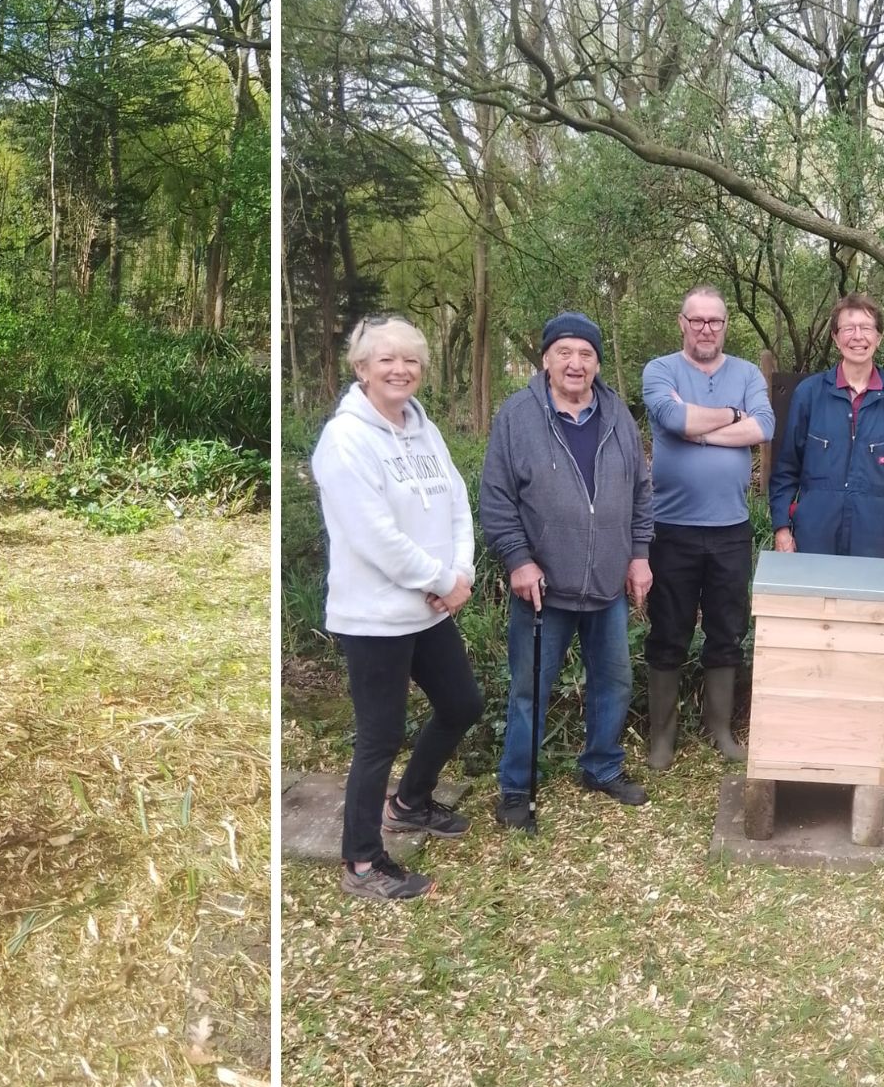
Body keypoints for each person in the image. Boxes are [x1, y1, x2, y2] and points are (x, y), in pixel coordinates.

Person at [311, 315, 482, 901]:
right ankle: (361, 862)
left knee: (462, 703)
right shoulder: (345, 440)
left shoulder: (421, 427)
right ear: (361, 367)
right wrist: (440, 578)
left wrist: (460, 574)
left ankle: (408, 802)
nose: (400, 369)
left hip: (432, 608)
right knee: (379, 736)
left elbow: (457, 500)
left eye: (410, 359)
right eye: (386, 359)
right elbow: (375, 537)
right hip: (376, 615)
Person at [481, 311, 655, 834]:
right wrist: (517, 558)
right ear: (546, 359)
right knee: (530, 688)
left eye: (586, 354)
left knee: (614, 681)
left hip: (607, 582)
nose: (576, 363)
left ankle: (601, 767)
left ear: (597, 363)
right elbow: (497, 498)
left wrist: (640, 553)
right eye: (565, 353)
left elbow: (641, 491)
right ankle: (515, 788)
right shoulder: (517, 417)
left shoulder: (617, 414)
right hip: (542, 586)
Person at [638, 287, 773, 766]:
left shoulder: (748, 373)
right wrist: (730, 418)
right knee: (668, 630)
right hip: (670, 529)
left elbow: (763, 427)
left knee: (727, 629)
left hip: (730, 530)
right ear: (682, 323)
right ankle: (662, 737)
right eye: (697, 321)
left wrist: (699, 429)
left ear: (725, 325)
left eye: (714, 321)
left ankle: (720, 729)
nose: (706, 329)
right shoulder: (660, 370)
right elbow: (672, 417)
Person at [769, 293, 884, 574]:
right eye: (848, 328)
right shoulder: (809, 395)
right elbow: (786, 468)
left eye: (866, 328)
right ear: (836, 338)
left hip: (875, 539)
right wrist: (781, 529)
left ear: (879, 338)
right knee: (812, 613)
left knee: (867, 615)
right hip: (813, 534)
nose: (857, 336)